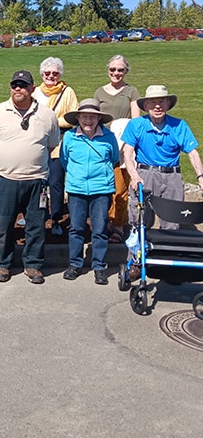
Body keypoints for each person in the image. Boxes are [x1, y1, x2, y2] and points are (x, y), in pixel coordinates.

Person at [0, 70, 60, 285]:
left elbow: (52, 143)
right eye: (15, 84)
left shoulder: (47, 115)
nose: (18, 88)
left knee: (35, 226)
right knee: (2, 224)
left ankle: (33, 264)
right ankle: (2, 264)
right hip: (5, 179)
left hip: (36, 180)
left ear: (32, 89)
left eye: (23, 85)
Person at [123, 85, 203, 230]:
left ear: (168, 104)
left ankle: (168, 252)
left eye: (161, 102)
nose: (157, 106)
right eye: (153, 102)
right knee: (139, 221)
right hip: (145, 175)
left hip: (172, 177)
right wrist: (134, 176)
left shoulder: (179, 125)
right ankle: (137, 253)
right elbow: (127, 153)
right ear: (146, 106)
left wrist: (201, 177)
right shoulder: (136, 125)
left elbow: (193, 153)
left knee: (173, 223)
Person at [60, 99, 119, 285]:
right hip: (76, 189)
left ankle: (99, 266)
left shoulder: (109, 137)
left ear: (98, 119)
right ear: (78, 118)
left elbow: (114, 158)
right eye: (84, 116)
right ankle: (75, 264)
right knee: (76, 228)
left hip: (101, 189)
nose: (88, 120)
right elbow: (64, 160)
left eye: (92, 117)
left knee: (100, 229)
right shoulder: (69, 137)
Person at [93, 55, 140, 242]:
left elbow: (136, 121)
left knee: (120, 188)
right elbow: (93, 119)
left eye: (120, 70)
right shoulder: (99, 92)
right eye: (112, 69)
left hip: (122, 145)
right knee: (103, 187)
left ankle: (118, 225)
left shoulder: (131, 91)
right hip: (102, 143)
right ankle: (105, 222)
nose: (116, 73)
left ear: (126, 71)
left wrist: (130, 146)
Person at [33, 57, 79, 236]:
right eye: (47, 73)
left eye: (55, 73)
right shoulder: (35, 92)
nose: (51, 76)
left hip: (58, 143)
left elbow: (72, 116)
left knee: (56, 181)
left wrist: (50, 121)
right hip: (36, 143)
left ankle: (56, 218)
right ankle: (38, 215)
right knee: (37, 181)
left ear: (60, 74)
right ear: (42, 74)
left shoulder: (67, 92)